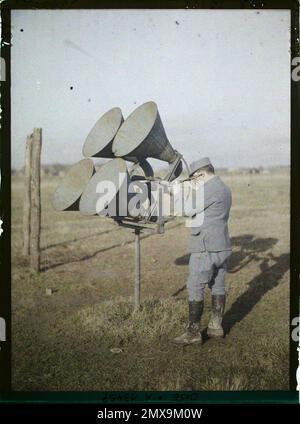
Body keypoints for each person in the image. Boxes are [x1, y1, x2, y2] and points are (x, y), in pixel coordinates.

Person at [171, 157, 232, 345]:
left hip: (205, 247)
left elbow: (186, 211)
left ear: (202, 174)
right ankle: (215, 326)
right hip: (222, 245)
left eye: (195, 179)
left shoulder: (209, 188)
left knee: (195, 285)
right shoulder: (223, 187)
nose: (195, 183)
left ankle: (193, 333)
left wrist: (177, 192)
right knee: (218, 285)